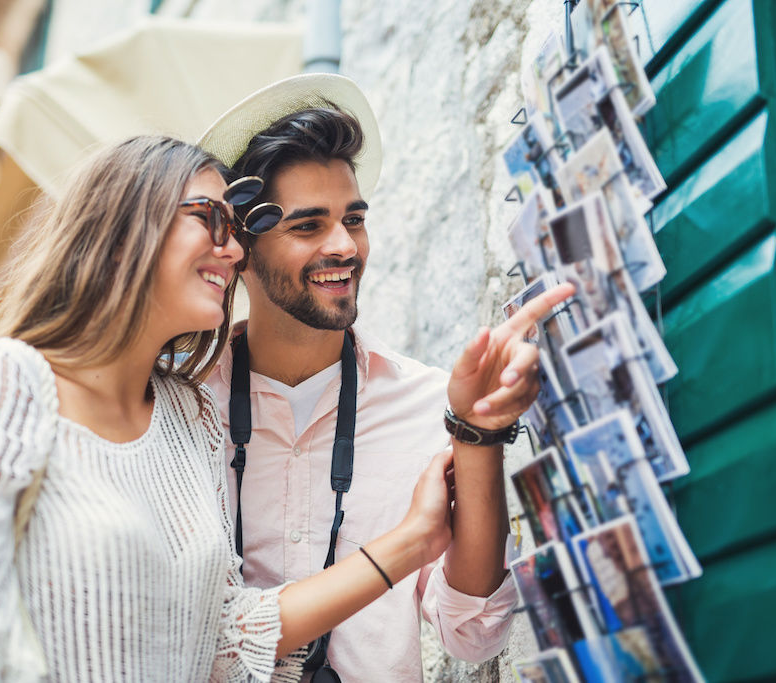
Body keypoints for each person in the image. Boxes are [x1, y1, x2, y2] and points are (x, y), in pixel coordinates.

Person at [0, 135, 464, 682]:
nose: (233, 249)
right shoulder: (4, 380)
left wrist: (412, 539)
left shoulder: (191, 417)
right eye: (210, 218)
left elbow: (226, 639)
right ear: (125, 228)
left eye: (235, 229)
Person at [198, 74, 575, 681]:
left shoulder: (424, 400)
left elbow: (473, 633)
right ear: (242, 243)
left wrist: (476, 435)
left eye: (354, 219)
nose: (344, 246)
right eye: (307, 226)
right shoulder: (184, 409)